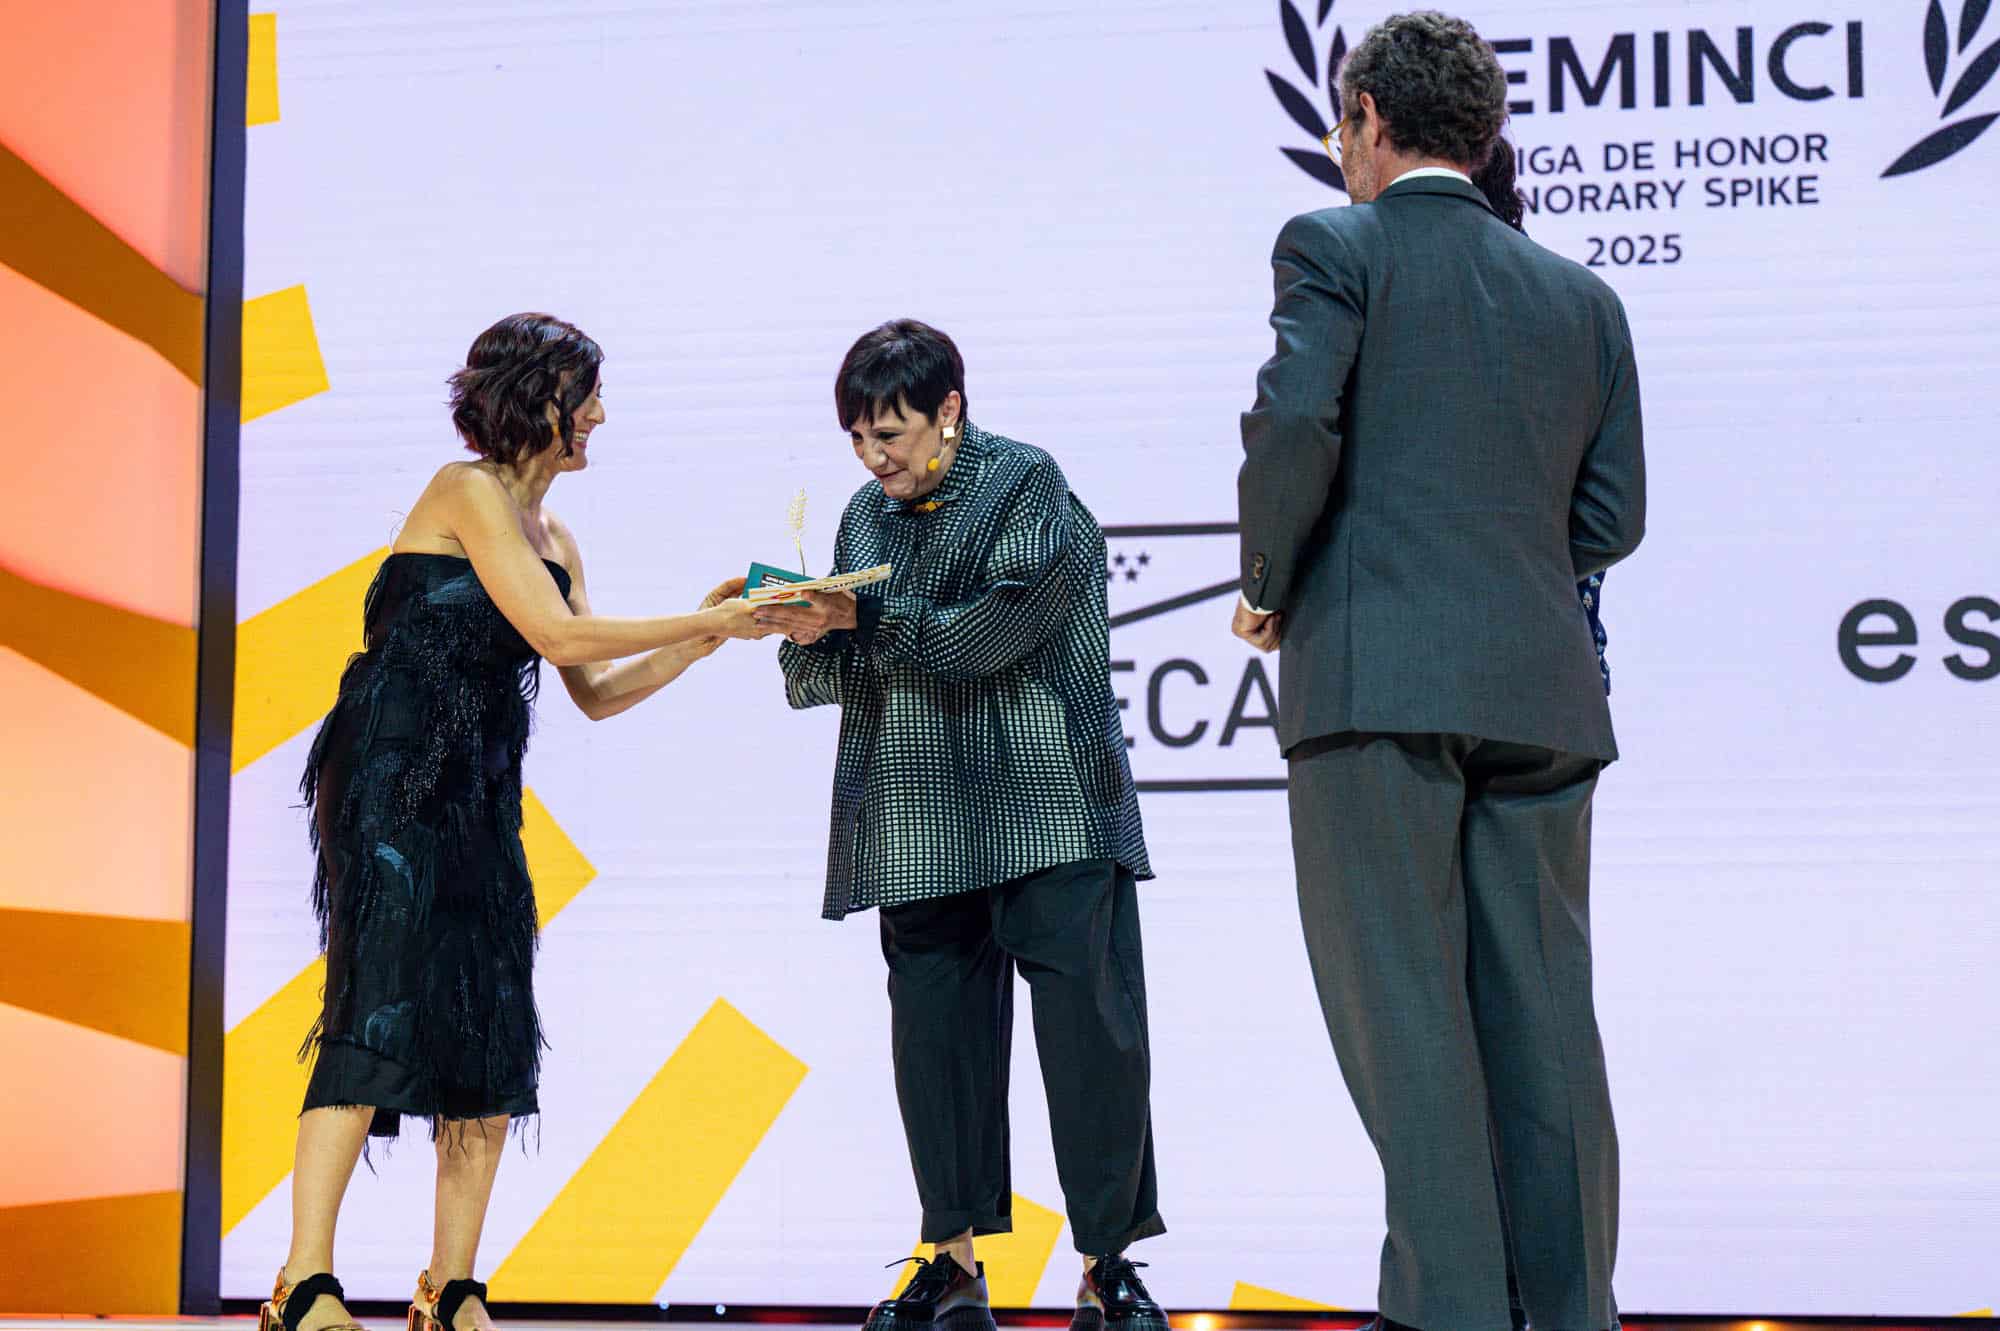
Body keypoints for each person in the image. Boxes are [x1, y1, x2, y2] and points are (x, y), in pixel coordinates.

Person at [1232, 13, 1645, 1331]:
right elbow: (1611, 516)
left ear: (1363, 116)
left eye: (1341, 125)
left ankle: (1449, 1313)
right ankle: (1570, 1311)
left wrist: (1267, 580)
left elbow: (1292, 427)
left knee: (1407, 1017)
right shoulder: (1584, 297)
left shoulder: (1332, 245)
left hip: (1376, 683)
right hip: (1541, 690)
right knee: (1547, 1022)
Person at [261, 313, 765, 1331]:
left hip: (480, 789)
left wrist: (709, 640)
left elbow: (595, 690)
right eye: (586, 396)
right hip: (391, 782)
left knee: (490, 1014)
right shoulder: (466, 491)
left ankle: (449, 1286)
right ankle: (303, 1281)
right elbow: (555, 633)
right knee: (378, 1002)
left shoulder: (557, 537)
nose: (599, 415)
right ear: (538, 399)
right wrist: (704, 616)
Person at [755, 320, 1168, 1331]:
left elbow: (998, 628)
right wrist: (797, 625)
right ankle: (950, 1263)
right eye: (858, 438)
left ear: (949, 410)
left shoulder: (1026, 482)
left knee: (1091, 1040)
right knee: (933, 1044)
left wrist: (860, 620)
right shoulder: (862, 517)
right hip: (916, 812)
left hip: (1049, 804)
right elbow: (828, 678)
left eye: (889, 433)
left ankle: (1105, 1264)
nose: (872, 458)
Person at [1472, 137, 1614, 695]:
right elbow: (1611, 516)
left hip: (1419, 672)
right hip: (1560, 667)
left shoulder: (1383, 299)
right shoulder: (1581, 302)